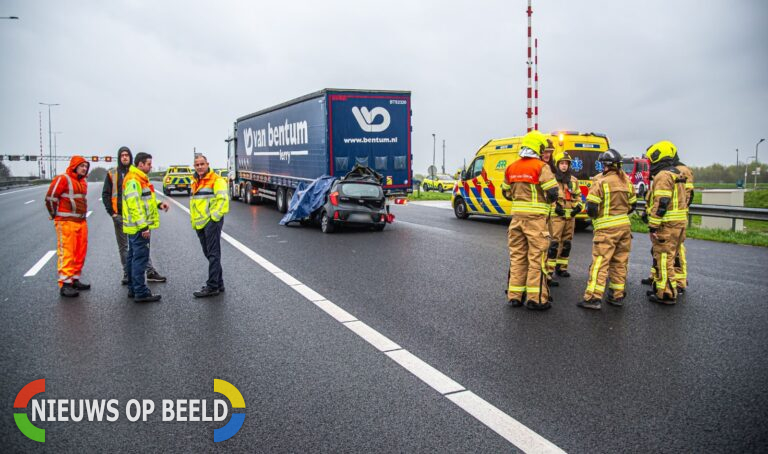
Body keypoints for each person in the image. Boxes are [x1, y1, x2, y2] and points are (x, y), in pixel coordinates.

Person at [500, 130, 559, 311]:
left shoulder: (512, 167)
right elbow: (553, 192)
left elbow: (505, 192)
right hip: (536, 221)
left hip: (516, 220)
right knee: (537, 259)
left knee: (517, 257)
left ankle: (515, 296)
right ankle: (536, 299)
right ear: (537, 147)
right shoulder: (541, 167)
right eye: (543, 148)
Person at [578, 149, 636, 310]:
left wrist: (598, 217)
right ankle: (617, 296)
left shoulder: (601, 182)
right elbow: (633, 205)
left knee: (600, 263)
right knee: (619, 262)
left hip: (606, 230)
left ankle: (593, 298)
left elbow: (591, 207)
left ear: (605, 165)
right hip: (624, 228)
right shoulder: (626, 182)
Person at [102, 146, 167, 285]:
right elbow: (106, 194)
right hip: (120, 216)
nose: (125, 157)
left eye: (127, 155)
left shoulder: (137, 174)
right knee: (127, 247)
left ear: (131, 158)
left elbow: (146, 197)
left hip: (136, 217)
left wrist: (158, 204)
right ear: (119, 157)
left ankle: (148, 272)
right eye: (122, 155)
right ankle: (128, 274)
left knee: (139, 248)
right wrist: (112, 213)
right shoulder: (114, 173)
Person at [644, 141, 689, 305]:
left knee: (663, 259)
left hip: (667, 226)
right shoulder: (678, 173)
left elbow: (662, 202)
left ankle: (666, 293)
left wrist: (653, 225)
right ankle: (664, 287)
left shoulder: (663, 176)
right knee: (672, 257)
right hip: (680, 224)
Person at [122, 152, 169, 303]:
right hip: (138, 227)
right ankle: (141, 292)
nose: (151, 166)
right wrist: (143, 227)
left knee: (132, 257)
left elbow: (144, 201)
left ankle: (133, 288)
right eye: (149, 164)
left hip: (134, 227)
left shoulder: (137, 179)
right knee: (140, 259)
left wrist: (158, 205)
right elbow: (135, 206)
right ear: (140, 164)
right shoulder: (134, 181)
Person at [45, 156, 91, 297]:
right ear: (74, 166)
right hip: (65, 222)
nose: (84, 168)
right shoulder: (63, 179)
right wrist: (54, 215)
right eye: (81, 166)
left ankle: (74, 280)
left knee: (79, 252)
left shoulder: (82, 182)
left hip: (80, 222)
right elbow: (50, 198)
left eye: (85, 166)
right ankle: (65, 284)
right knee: (67, 252)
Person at [190, 155, 230, 297]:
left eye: (202, 164)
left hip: (211, 222)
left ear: (208, 164)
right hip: (200, 223)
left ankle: (212, 286)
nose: (200, 167)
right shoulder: (195, 180)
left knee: (213, 254)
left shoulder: (216, 180)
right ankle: (219, 283)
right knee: (209, 253)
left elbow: (223, 201)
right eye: (197, 165)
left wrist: (214, 218)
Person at [547, 151, 583, 280]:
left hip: (570, 217)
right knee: (554, 243)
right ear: (557, 164)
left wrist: (578, 207)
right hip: (556, 217)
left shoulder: (573, 180)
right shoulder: (552, 179)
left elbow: (579, 196)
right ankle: (549, 271)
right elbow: (547, 197)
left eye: (566, 164)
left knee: (567, 243)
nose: (564, 166)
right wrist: (554, 207)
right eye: (561, 163)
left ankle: (562, 268)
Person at [673, 151, 694, 292]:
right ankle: (657, 277)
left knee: (677, 250)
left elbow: (687, 195)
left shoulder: (682, 170)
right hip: (669, 217)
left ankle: (679, 281)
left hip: (675, 218)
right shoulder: (669, 170)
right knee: (661, 251)